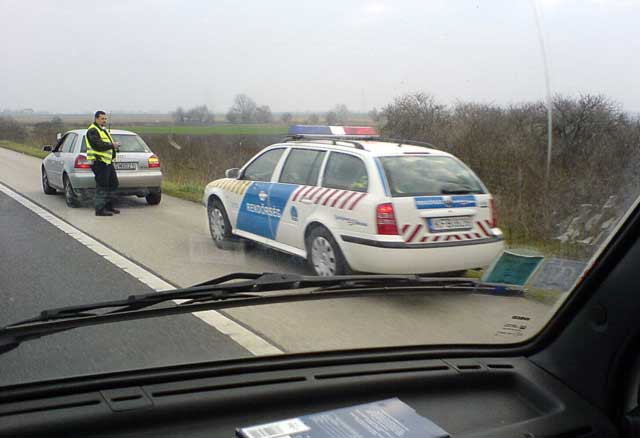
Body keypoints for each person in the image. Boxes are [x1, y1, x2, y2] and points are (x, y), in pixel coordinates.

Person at [86, 111, 121, 216]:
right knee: (102, 186)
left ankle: (109, 206)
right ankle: (100, 209)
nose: (104, 120)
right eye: (102, 118)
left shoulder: (103, 130)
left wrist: (114, 148)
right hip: (99, 162)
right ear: (96, 118)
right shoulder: (93, 130)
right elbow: (98, 145)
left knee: (113, 184)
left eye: (105, 119)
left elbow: (106, 144)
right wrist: (112, 145)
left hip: (107, 162)